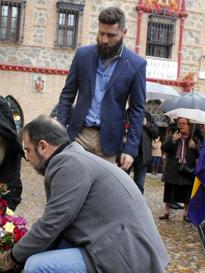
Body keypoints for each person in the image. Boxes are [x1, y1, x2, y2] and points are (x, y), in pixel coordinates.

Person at [0, 115, 168, 273]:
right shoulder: (74, 157)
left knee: (37, 269)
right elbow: (59, 229)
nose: (27, 158)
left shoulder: (68, 163)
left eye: (28, 150)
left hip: (125, 257)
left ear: (43, 146)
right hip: (125, 249)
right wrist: (23, 252)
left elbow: (51, 224)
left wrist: (11, 258)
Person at [56, 7, 146, 171]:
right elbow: (67, 95)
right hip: (77, 136)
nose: (104, 39)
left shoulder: (136, 64)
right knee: (69, 184)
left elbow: (137, 109)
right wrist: (61, 130)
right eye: (101, 33)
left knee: (99, 193)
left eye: (111, 35)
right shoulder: (83, 55)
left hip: (109, 142)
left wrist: (130, 149)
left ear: (124, 32)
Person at [159, 117, 200, 221]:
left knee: (187, 192)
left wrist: (194, 147)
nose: (181, 125)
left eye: (184, 123)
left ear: (188, 125)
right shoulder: (173, 135)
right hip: (173, 167)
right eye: (179, 123)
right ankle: (166, 212)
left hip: (187, 169)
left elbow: (199, 154)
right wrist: (173, 140)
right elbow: (163, 148)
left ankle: (186, 214)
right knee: (169, 190)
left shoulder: (193, 139)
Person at [132, 112, 158, 193]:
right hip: (127, 152)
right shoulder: (127, 112)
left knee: (139, 185)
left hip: (142, 155)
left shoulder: (148, 116)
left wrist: (147, 124)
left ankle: (137, 205)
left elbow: (156, 134)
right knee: (121, 182)